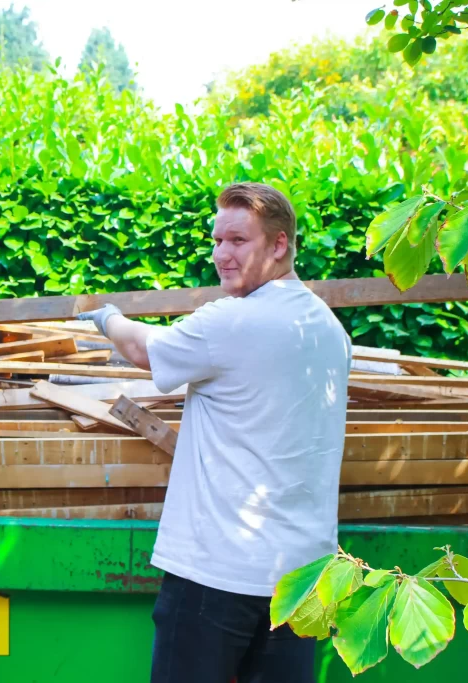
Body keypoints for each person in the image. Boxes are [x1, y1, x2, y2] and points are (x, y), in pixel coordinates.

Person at [78, 182, 352, 683]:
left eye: (238, 241)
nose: (222, 254)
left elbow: (144, 349)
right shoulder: (329, 329)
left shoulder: (233, 320)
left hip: (218, 574)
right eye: (217, 240)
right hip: (302, 581)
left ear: (278, 244)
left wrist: (109, 318)